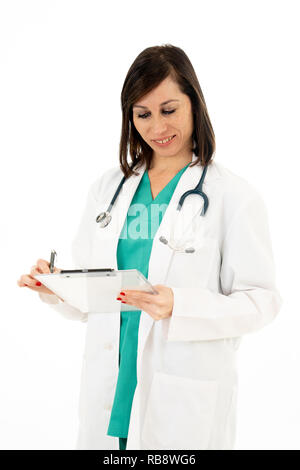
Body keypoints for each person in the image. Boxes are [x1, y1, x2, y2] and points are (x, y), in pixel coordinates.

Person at [17, 44, 282, 450]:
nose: (157, 127)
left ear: (195, 103)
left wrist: (181, 304)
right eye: (143, 114)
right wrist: (58, 289)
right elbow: (99, 296)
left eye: (169, 110)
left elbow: (262, 301)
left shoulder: (234, 196)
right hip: (109, 395)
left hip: (180, 400)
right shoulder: (109, 189)